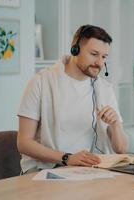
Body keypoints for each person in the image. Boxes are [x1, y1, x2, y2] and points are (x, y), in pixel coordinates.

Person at [17, 25, 128, 174]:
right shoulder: (41, 82)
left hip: (87, 172)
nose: (100, 63)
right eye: (94, 54)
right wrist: (67, 158)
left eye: (104, 57)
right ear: (75, 49)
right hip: (44, 170)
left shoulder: (105, 89)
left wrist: (115, 124)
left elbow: (121, 149)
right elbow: (24, 143)